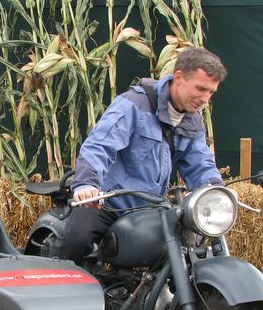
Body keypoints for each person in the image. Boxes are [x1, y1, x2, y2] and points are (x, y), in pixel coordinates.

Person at [61, 47, 226, 265]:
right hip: (111, 204)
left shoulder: (192, 120)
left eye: (211, 92)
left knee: (188, 250)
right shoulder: (133, 105)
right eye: (201, 89)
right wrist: (86, 184)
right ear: (179, 78)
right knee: (77, 240)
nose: (205, 99)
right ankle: (62, 292)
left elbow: (200, 163)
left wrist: (215, 191)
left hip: (152, 208)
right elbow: (99, 146)